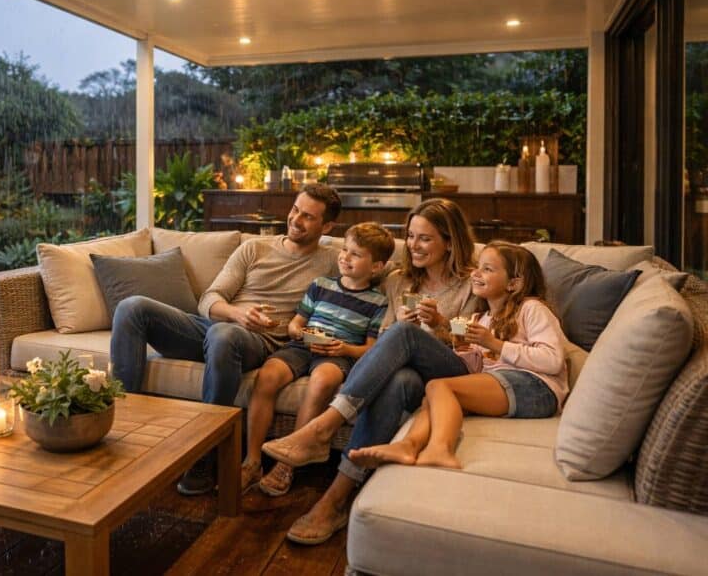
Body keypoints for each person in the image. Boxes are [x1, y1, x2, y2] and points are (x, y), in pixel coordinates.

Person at [260, 197, 479, 544]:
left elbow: (472, 346)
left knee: (403, 333)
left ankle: (324, 426)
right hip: (410, 377)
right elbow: (379, 338)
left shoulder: (472, 284)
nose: (413, 245)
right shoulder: (398, 281)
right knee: (398, 379)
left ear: (449, 242)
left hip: (451, 375)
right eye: (410, 236)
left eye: (425, 238)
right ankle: (334, 501)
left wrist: (438, 325)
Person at [110, 183, 343, 495]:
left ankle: (204, 455)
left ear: (327, 226)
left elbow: (380, 268)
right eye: (295, 210)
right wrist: (237, 314)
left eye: (308, 217)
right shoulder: (254, 249)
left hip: (260, 343)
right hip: (219, 327)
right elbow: (210, 299)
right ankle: (120, 429)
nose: (296, 220)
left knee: (224, 335)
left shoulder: (331, 261)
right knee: (132, 307)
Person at [352, 242, 568, 470]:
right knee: (433, 398)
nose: (475, 273)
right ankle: (409, 445)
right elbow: (471, 360)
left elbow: (553, 360)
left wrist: (494, 343)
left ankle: (440, 449)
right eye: (478, 267)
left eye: (488, 269)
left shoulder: (531, 308)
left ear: (514, 283)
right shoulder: (480, 319)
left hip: (537, 388)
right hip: (503, 385)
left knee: (439, 387)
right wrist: (439, 327)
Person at [241, 223, 394, 497]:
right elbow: (294, 324)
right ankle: (252, 460)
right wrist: (301, 332)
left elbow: (371, 349)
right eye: (345, 250)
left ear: (376, 267)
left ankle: (286, 463)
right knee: (268, 376)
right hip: (302, 346)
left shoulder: (378, 302)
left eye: (356, 254)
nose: (345, 257)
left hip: (338, 355)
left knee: (324, 379)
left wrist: (344, 349)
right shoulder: (321, 285)